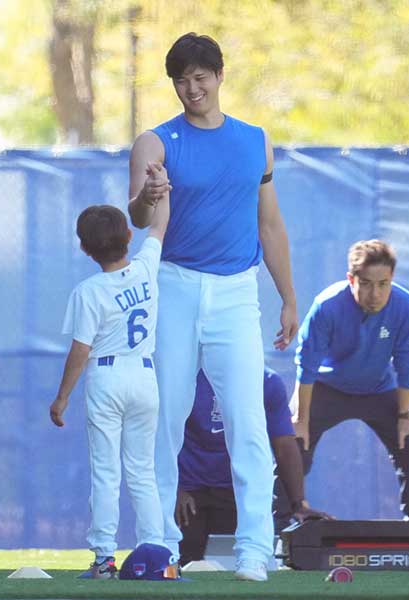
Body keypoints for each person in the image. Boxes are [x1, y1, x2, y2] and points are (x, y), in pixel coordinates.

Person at [127, 32, 299, 582]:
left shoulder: (255, 141)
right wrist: (147, 198)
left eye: (201, 77)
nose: (191, 87)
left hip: (235, 292)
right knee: (166, 416)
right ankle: (158, 547)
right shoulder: (155, 142)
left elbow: (269, 223)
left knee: (247, 419)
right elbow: (135, 215)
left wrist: (289, 297)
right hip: (175, 287)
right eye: (181, 79)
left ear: (220, 77)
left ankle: (255, 549)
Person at [49, 189, 171, 580]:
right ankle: (159, 556)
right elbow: (160, 223)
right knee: (142, 471)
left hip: (107, 375)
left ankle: (104, 559)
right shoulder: (146, 267)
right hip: (145, 374)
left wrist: (62, 397)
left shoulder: (88, 291)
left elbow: (80, 349)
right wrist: (161, 186)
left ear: (85, 249)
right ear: (128, 237)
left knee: (106, 471)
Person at [287, 240, 409, 524]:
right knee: (294, 441)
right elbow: (306, 365)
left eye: (383, 284)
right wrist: (300, 417)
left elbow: (406, 364)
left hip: (378, 390)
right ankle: (279, 529)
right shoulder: (327, 306)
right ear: (351, 279)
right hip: (326, 388)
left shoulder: (404, 306)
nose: (375, 293)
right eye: (365, 283)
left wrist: (405, 416)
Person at [176, 367, 331, 566]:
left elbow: (283, 445)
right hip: (188, 494)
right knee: (180, 564)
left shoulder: (266, 381)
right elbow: (158, 438)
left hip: (237, 491)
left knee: (240, 565)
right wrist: (173, 489)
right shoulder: (182, 376)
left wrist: (299, 504)